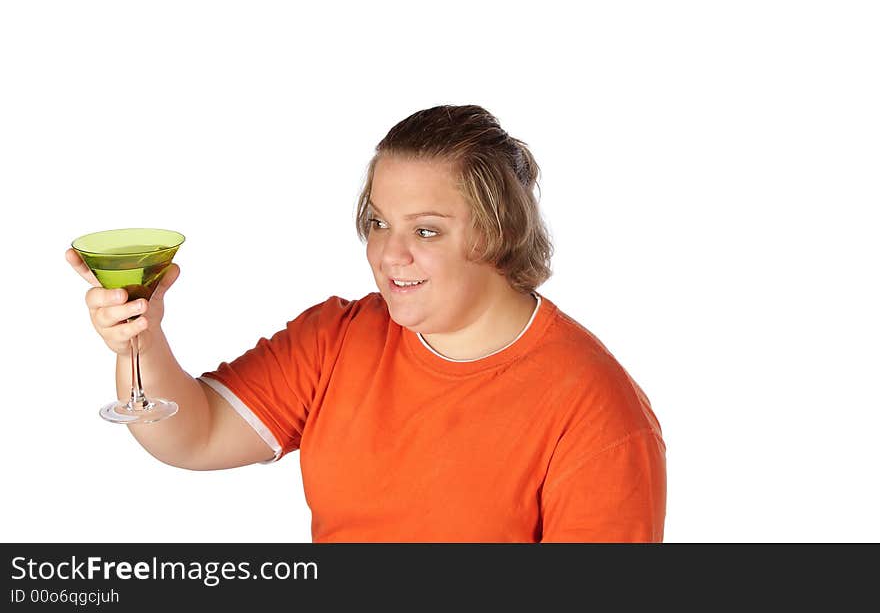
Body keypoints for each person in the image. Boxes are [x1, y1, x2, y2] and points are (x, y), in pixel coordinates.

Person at [66, 104, 667, 542]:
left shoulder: (595, 408)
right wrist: (138, 344)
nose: (389, 254)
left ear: (497, 232)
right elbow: (194, 436)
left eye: (425, 230)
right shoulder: (339, 338)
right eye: (379, 223)